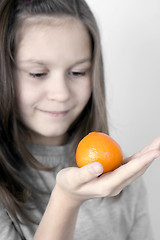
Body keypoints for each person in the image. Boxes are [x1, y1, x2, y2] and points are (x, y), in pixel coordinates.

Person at [0, 0, 159, 239]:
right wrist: (67, 200)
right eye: (38, 73)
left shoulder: (122, 180)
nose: (61, 93)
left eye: (77, 72)